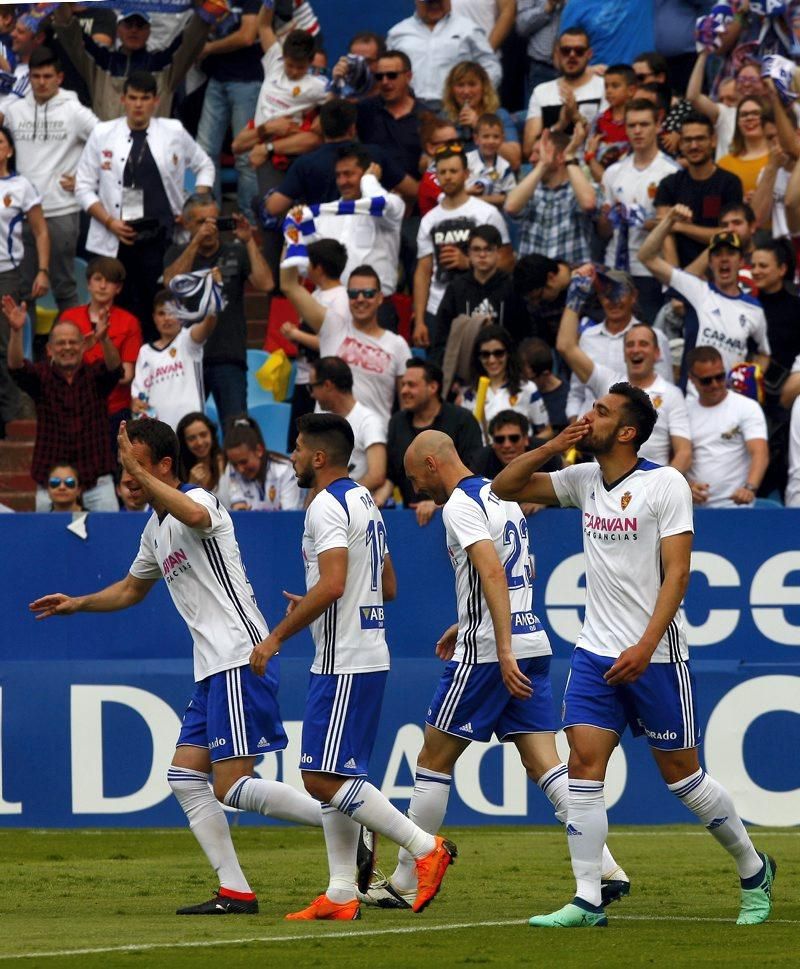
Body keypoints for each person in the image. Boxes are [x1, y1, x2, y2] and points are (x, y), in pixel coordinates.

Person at [492, 384, 776, 928]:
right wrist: (555, 443)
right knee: (583, 768)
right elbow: (505, 488)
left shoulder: (665, 484)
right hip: (595, 654)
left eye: (599, 412)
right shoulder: (581, 478)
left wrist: (646, 646)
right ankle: (587, 899)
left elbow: (679, 573)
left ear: (626, 432)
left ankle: (752, 867)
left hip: (657, 657)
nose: (588, 416)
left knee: (684, 780)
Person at [30, 417, 324, 915]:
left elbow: (192, 511)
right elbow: (130, 588)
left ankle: (350, 817)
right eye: (125, 467)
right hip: (212, 668)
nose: (127, 477)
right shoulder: (154, 529)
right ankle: (235, 891)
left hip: (238, 655)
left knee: (232, 786)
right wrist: (77, 603)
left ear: (164, 465)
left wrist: (138, 473)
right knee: (186, 779)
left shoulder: (200, 499)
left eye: (137, 466)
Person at [361, 427, 628, 910]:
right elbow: (519, 568)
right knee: (544, 764)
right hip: (532, 640)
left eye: (412, 476)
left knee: (432, 760)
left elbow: (491, 570)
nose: (413, 487)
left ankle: (404, 880)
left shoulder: (461, 504)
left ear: (431, 465)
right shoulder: (502, 494)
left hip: (489, 653)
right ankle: (606, 867)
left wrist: (496, 643)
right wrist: (465, 620)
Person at [249, 412, 458, 920]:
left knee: (320, 777)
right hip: (363, 651)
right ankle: (342, 891)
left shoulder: (324, 504)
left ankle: (425, 847)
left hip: (344, 659)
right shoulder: (364, 498)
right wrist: (320, 601)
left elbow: (335, 583)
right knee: (337, 776)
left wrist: (277, 634)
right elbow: (385, 586)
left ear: (319, 457)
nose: (293, 456)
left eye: (297, 448)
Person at [75, 71, 215, 342]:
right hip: (114, 238)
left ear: (155, 101)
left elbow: (204, 165)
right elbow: (82, 186)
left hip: (161, 238)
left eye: (145, 98)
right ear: (123, 100)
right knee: (118, 312)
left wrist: (193, 205)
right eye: (133, 98)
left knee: (161, 307)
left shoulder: (173, 130)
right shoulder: (102, 133)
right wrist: (109, 222)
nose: (138, 104)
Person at [556, 277, 691, 471]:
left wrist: (663, 487)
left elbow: (684, 453)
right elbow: (566, 346)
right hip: (606, 488)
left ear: (657, 352)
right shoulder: (609, 385)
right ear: (624, 352)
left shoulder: (671, 394)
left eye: (643, 344)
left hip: (652, 489)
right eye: (630, 344)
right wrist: (576, 297)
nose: (636, 349)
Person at [163, 194, 274, 429]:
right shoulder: (176, 254)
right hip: (189, 358)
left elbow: (266, 284)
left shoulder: (237, 251)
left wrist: (249, 241)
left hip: (229, 356)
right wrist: (195, 243)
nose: (210, 228)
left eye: (214, 220)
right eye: (202, 222)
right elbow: (170, 283)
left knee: (237, 430)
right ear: (187, 223)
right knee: (186, 431)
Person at [1, 47, 97, 314]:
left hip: (61, 211)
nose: (41, 82)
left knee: (64, 286)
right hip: (20, 213)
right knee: (23, 291)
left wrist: (85, 180)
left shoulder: (75, 110)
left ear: (60, 77)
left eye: (47, 76)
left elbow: (107, 144)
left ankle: (72, 352)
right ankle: (26, 354)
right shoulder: (14, 110)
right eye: (35, 76)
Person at [4, 300, 120, 512]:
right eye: (61, 343)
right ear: (49, 349)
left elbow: (114, 368)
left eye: (73, 342)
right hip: (52, 483)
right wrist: (16, 331)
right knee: (48, 543)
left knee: (109, 540)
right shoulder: (41, 378)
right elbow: (16, 367)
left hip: (97, 481)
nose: (67, 347)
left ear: (84, 345)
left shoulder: (95, 376)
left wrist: (104, 340)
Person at [638, 210, 771, 379]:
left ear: (741, 261)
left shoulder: (754, 309)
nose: (724, 259)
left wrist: (751, 379)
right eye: (717, 254)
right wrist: (669, 220)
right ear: (709, 262)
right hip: (692, 398)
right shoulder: (695, 289)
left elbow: (764, 354)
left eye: (730, 253)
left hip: (731, 398)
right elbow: (646, 257)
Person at [281, 261, 410, 428]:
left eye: (369, 293)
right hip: (327, 441)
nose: (361, 299)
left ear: (380, 298)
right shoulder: (332, 327)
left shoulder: (397, 345)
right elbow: (289, 285)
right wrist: (290, 239)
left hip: (370, 445)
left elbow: (407, 407)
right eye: (354, 294)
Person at [414, 144, 512, 349]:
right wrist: (421, 320)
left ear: (466, 174)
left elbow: (507, 262)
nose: (448, 177)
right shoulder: (428, 220)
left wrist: (468, 262)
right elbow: (423, 272)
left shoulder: (487, 213)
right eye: (442, 172)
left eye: (453, 171)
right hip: (437, 308)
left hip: (480, 305)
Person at [52, 5, 219, 121]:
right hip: (108, 155)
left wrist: (206, 8)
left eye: (140, 25)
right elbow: (69, 31)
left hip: (150, 153)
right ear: (118, 28)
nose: (134, 30)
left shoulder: (164, 64)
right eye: (128, 24)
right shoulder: (100, 62)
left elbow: (192, 38)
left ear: (148, 31)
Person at [597, 99, 680, 323]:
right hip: (615, 265)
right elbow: (604, 232)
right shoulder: (613, 172)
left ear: (658, 126)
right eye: (632, 125)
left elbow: (676, 225)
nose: (637, 131)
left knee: (648, 332)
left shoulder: (670, 172)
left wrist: (638, 219)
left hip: (649, 268)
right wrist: (605, 218)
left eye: (644, 124)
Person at [379, 359, 483, 524]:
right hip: (411, 520)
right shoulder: (397, 422)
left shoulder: (462, 419)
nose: (404, 390)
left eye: (411, 385)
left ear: (433, 387)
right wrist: (377, 501)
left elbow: (473, 471)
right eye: (403, 384)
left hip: (460, 515)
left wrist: (437, 504)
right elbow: (392, 475)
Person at [564, 270, 673, 420]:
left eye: (619, 293)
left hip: (636, 428)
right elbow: (577, 393)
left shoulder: (655, 338)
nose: (613, 301)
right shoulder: (587, 338)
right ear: (600, 298)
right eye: (607, 295)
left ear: (633, 296)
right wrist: (574, 423)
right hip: (588, 428)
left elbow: (665, 393)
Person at [0, 125, 49, 433]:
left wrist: (43, 270)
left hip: (8, 273)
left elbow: (41, 230)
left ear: (9, 149)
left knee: (7, 347)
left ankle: (14, 420)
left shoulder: (21, 186)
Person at [60, 256, 142, 439]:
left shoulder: (129, 322)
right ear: (88, 284)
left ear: (118, 288)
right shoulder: (69, 317)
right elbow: (55, 365)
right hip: (73, 408)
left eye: (110, 281)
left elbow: (126, 376)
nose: (103, 286)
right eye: (97, 279)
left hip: (114, 411)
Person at [311, 146, 405, 305]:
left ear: (366, 172)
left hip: (376, 305)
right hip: (331, 306)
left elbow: (380, 204)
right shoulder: (324, 213)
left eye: (348, 174)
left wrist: (369, 181)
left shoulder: (392, 205)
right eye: (338, 175)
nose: (342, 182)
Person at [195, 0, 263, 215]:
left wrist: (208, 48)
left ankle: (251, 224)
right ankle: (207, 220)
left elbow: (247, 36)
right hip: (217, 78)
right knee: (203, 153)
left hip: (248, 80)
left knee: (246, 156)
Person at [653, 113, 744, 268]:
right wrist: (677, 279)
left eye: (700, 139)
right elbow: (663, 230)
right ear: (680, 144)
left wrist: (680, 226)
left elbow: (729, 234)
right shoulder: (669, 184)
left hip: (720, 271)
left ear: (713, 140)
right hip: (678, 272)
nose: (694, 145)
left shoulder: (730, 183)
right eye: (688, 140)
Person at [431, 225, 529, 367]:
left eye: (488, 249)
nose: (482, 255)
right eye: (476, 249)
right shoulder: (456, 288)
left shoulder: (512, 287)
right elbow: (441, 336)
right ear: (468, 254)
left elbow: (524, 334)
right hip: (466, 366)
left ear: (499, 253)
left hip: (508, 366)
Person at [685, 346, 769, 509]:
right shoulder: (683, 411)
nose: (715, 384)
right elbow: (676, 457)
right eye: (706, 380)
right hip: (694, 511)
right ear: (691, 379)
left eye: (720, 377)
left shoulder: (747, 407)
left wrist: (749, 488)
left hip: (736, 508)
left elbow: (760, 452)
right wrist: (685, 487)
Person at [386, 0, 500, 112]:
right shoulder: (397, 34)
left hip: (454, 111)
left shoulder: (468, 30)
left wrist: (476, 98)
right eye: (429, 2)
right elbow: (384, 72)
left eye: (439, 1)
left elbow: (491, 66)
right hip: (408, 110)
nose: (435, 5)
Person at [505, 126, 596, 263]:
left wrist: (570, 157)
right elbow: (511, 207)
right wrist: (543, 165)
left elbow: (589, 204)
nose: (531, 159)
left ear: (560, 158)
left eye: (538, 152)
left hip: (573, 279)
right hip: (532, 279)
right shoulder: (530, 190)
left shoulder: (581, 188)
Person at [308, 356, 387, 498]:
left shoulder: (369, 422)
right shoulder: (322, 421)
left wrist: (337, 497)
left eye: (312, 387)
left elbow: (377, 475)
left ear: (327, 385)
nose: (312, 394)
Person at [522, 26, 607, 157]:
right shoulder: (541, 92)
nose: (572, 55)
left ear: (589, 54)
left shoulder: (604, 87)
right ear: (557, 54)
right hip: (553, 169)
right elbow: (529, 149)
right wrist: (559, 126)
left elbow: (608, 140)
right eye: (566, 51)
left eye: (579, 51)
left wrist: (576, 117)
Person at [461, 325, 550, 437]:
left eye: (498, 353)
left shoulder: (527, 388)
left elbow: (546, 431)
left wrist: (525, 450)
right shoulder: (469, 395)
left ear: (508, 353)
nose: (492, 360)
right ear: (478, 357)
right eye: (485, 354)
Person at [355, 49, 424, 182]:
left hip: (413, 196)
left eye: (392, 75)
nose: (385, 82)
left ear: (408, 77)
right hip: (373, 196)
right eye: (379, 77)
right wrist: (338, 85)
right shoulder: (364, 110)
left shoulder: (425, 116)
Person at [442, 60, 520, 169]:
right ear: (452, 89)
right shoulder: (443, 118)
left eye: (472, 84)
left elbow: (515, 160)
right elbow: (423, 163)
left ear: (484, 87)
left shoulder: (499, 115)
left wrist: (479, 125)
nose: (466, 91)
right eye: (460, 85)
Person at [223, 415, 303, 511]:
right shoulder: (231, 470)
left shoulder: (285, 470)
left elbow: (289, 516)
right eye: (234, 464)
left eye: (244, 462)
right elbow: (238, 507)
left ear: (259, 450)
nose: (240, 469)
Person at [584, 63, 636, 183]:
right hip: (598, 176)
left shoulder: (637, 120)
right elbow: (589, 149)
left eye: (615, 86)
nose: (609, 91)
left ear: (631, 91)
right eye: (606, 86)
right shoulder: (599, 120)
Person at [717, 97, 771, 196]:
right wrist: (738, 203)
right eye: (743, 115)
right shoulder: (723, 164)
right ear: (737, 123)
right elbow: (712, 206)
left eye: (756, 113)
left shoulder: (780, 159)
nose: (749, 118)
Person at [176, 411, 230, 508]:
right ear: (184, 442)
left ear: (212, 435)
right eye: (192, 438)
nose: (199, 442)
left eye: (203, 434)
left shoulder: (228, 463)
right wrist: (190, 485)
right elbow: (178, 510)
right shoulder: (178, 470)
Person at [465, 113, 518, 207]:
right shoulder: (466, 160)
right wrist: (468, 192)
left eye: (496, 137)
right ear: (476, 139)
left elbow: (510, 196)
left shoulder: (504, 167)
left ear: (502, 139)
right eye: (486, 136)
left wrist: (481, 199)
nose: (491, 141)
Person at [516, 0, 564, 102]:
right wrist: (547, 8)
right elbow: (521, 27)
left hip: (576, 65)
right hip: (540, 69)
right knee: (535, 115)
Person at [519, 337, 569, 433]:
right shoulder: (519, 391)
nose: (523, 383)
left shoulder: (567, 400)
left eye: (529, 379)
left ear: (545, 374)